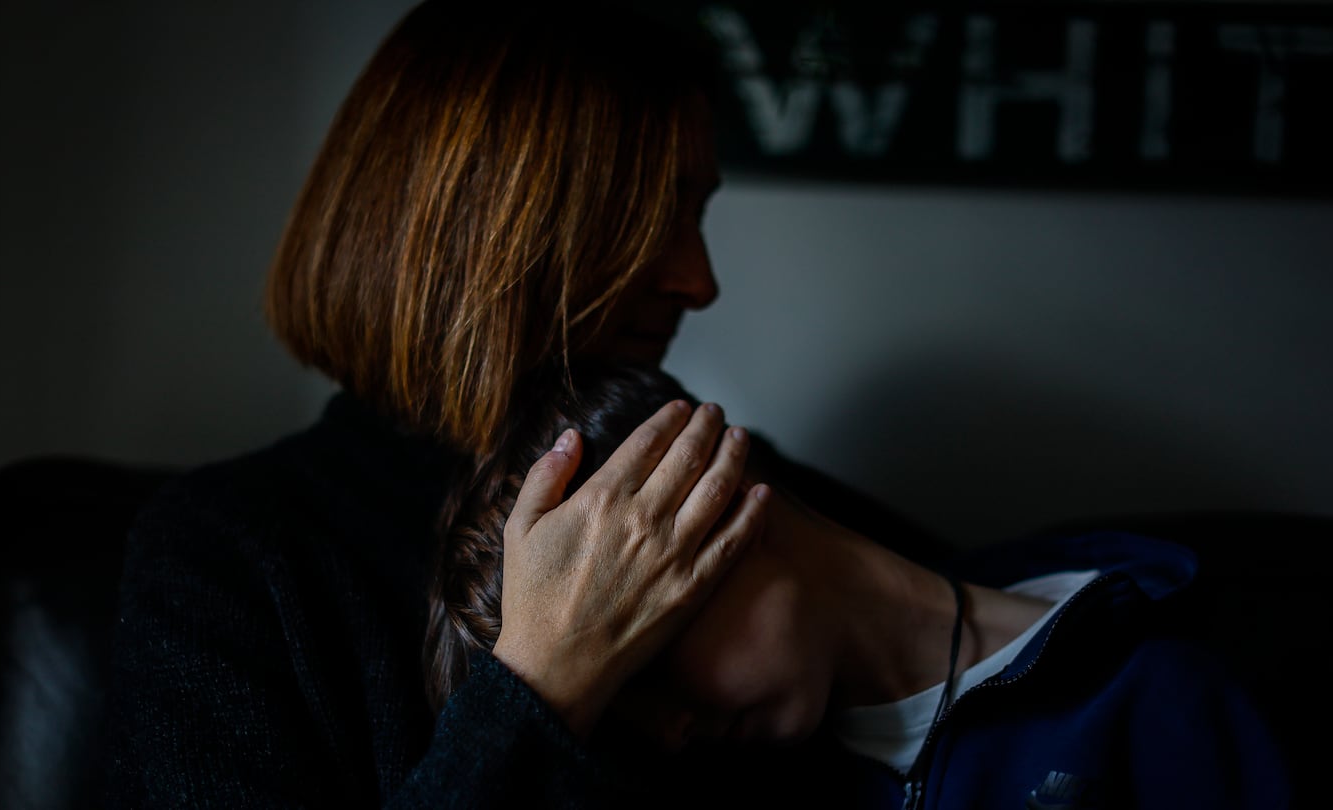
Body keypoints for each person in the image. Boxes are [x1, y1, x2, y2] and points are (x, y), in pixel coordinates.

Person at [103, 1, 937, 807]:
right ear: (488, 230)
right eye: (650, 217)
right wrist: (544, 684)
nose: (699, 281)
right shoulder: (226, 563)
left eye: (697, 212)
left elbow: (962, 599)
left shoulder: (655, 466)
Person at [431, 360, 1295, 809]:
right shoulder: (736, 792)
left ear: (712, 510)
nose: (671, 732)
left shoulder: (1161, 696)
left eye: (647, 655)